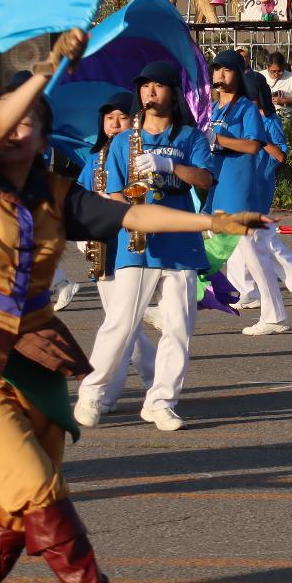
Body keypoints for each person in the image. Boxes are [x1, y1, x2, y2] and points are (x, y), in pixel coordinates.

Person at [0, 34, 263, 583]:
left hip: (35, 362)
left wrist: (212, 221)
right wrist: (47, 68)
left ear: (43, 138)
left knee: (12, 499)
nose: (6, 128)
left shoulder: (55, 194)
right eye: (1, 119)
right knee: (39, 490)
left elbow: (131, 218)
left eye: (23, 121)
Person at [76, 61, 213, 433]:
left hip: (181, 242)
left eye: (158, 86)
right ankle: (91, 391)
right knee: (120, 323)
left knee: (179, 328)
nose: (150, 92)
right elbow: (117, 192)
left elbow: (203, 179)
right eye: (145, 86)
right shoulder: (122, 142)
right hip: (136, 243)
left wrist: (169, 166)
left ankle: (161, 401)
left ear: (173, 93)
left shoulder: (191, 137)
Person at [72, 92, 157, 391]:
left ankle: (108, 387)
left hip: (130, 239)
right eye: (110, 119)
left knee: (120, 322)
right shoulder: (93, 158)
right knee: (118, 320)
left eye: (122, 118)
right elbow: (80, 195)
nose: (115, 124)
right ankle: (154, 375)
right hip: (102, 242)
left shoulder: (141, 153)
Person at [202, 50, 285, 338]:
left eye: (226, 70)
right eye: (217, 70)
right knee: (242, 251)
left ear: (238, 75)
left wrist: (218, 139)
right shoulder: (212, 109)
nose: (220, 76)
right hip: (216, 185)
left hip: (237, 187)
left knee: (251, 251)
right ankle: (270, 311)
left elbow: (253, 146)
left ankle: (273, 314)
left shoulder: (246, 109)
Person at [223, 72, 292, 331]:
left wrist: (259, 141)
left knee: (259, 245)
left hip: (259, 186)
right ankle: (255, 295)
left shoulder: (268, 120)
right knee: (250, 246)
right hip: (242, 186)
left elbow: (280, 156)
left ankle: (291, 287)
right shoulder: (242, 116)